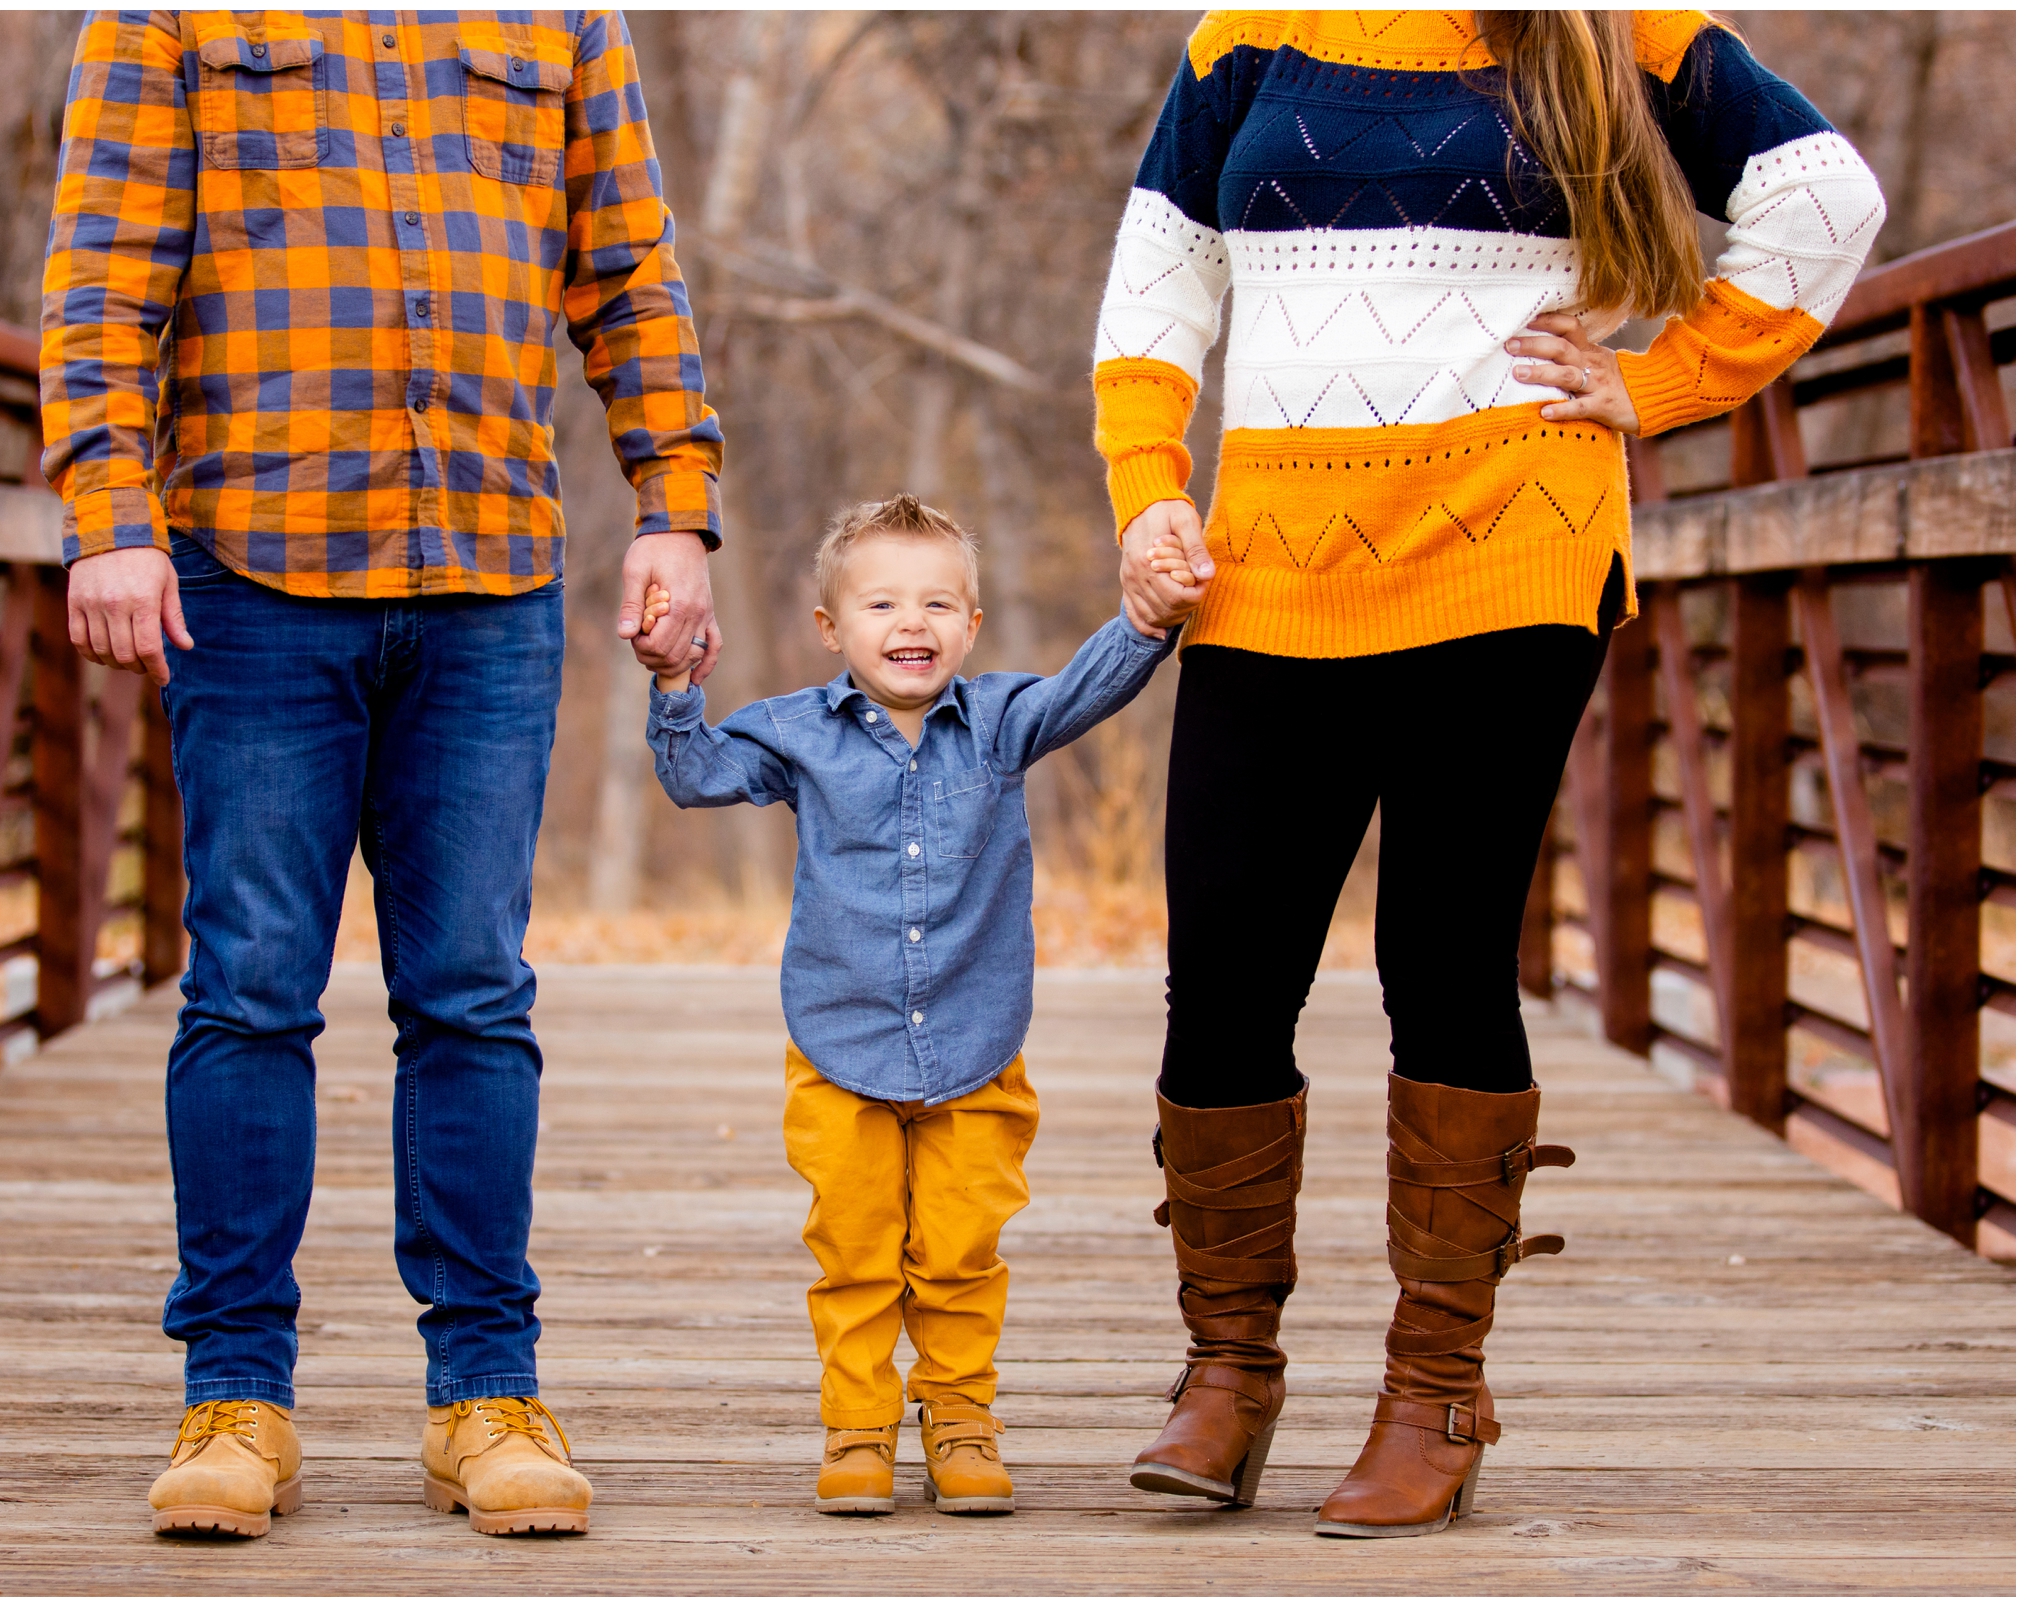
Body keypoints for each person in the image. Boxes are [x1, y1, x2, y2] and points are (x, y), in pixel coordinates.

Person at [1092, 10, 1883, 1537]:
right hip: (1269, 559)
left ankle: (1436, 1388)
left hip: (1514, 540)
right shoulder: (1251, 37)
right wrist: (1146, 495)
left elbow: (1823, 194)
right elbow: (1159, 271)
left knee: (1442, 958)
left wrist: (1661, 384)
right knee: (1228, 965)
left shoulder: (1616, 28)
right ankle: (1226, 1368)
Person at [38, 11, 724, 1541]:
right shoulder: (174, 16)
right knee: (251, 986)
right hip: (250, 569)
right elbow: (102, 282)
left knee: (473, 986)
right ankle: (234, 1398)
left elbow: (625, 272)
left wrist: (674, 500)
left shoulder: (561, 19)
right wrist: (108, 510)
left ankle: (487, 1391)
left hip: (487, 573)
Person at [640, 496, 1193, 1516]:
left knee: (959, 1250)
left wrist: (1148, 618)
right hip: (839, 1045)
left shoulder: (1000, 722)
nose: (913, 621)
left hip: (977, 1045)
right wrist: (676, 680)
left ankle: (960, 1417)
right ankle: (857, 1426)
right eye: (884, 601)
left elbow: (1090, 686)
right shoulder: (796, 734)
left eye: (940, 601)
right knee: (852, 1249)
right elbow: (696, 775)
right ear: (831, 628)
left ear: (972, 625)